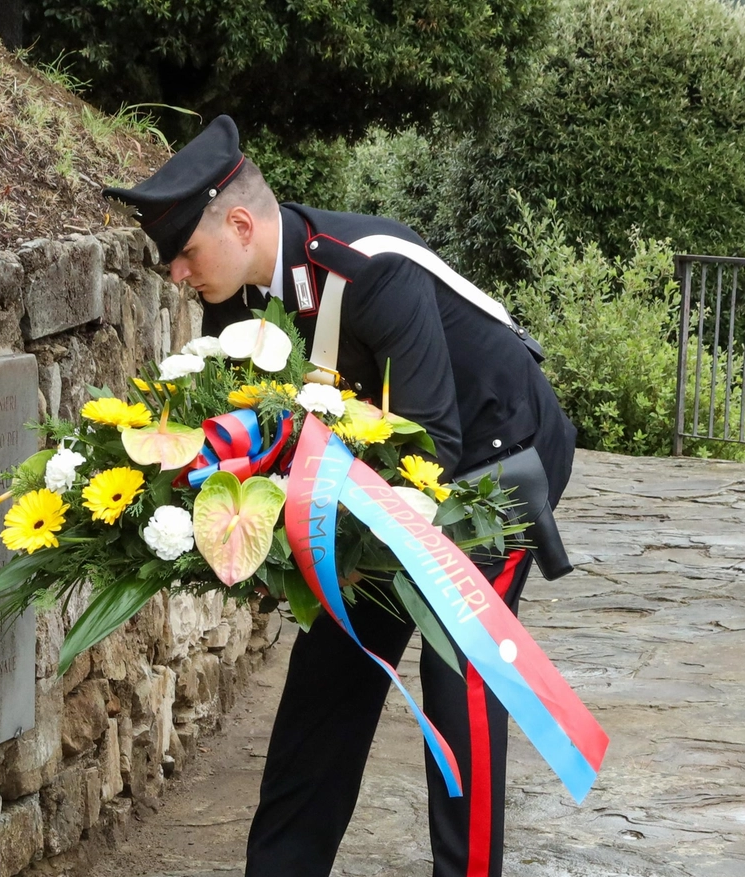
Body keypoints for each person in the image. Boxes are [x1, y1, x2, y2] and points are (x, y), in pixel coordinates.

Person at [105, 115, 576, 877]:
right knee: (330, 674)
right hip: (374, 487)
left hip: (491, 462)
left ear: (239, 221)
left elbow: (433, 443)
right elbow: (252, 432)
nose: (177, 277)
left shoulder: (368, 270)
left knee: (458, 671)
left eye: (186, 253)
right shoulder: (235, 304)